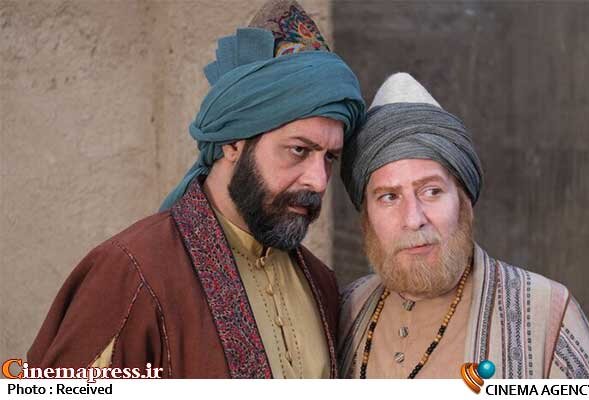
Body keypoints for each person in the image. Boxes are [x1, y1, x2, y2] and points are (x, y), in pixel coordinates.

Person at [28, 0, 364, 378]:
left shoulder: (320, 284)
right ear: (233, 142)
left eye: (329, 157)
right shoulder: (132, 274)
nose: (318, 180)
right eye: (299, 150)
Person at [337, 72, 589, 379]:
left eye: (431, 191)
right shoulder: (345, 309)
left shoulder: (547, 314)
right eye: (389, 197)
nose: (414, 219)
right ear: (366, 217)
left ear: (464, 202)